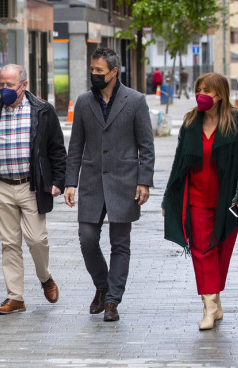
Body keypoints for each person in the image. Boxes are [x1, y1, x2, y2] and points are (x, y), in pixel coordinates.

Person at [64, 48, 155, 322]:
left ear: (114, 72)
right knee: (87, 239)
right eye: (92, 70)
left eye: (99, 71)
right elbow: (75, 145)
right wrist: (71, 183)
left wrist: (144, 181)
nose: (94, 75)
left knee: (120, 243)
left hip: (124, 183)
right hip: (91, 182)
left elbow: (146, 146)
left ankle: (113, 300)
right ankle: (102, 286)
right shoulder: (82, 102)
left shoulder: (136, 101)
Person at [162, 73, 238, 330]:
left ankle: (215, 297)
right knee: (202, 252)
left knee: (221, 251)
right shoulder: (191, 121)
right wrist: (169, 197)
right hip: (197, 200)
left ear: (221, 94)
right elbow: (180, 160)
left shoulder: (236, 121)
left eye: (207, 90)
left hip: (227, 200)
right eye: (199, 88)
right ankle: (209, 306)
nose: (202, 94)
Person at [0, 64, 67, 314]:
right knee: (9, 243)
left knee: (37, 239)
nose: (4, 89)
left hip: (31, 186)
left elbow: (57, 149)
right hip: (1, 187)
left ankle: (45, 278)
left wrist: (58, 181)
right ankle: (15, 298)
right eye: (1, 84)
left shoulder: (43, 111)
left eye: (9, 85)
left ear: (23, 85)